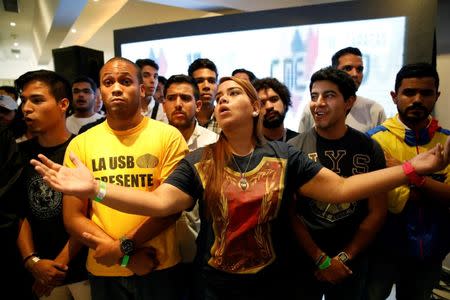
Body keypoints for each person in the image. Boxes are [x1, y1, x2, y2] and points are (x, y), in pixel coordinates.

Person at [32, 76, 450, 300]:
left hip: (274, 282)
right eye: (220, 96)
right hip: (213, 285)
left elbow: (342, 189)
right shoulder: (199, 160)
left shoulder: (285, 155)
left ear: (254, 107)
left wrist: (413, 168)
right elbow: (161, 201)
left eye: (236, 92)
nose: (224, 99)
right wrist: (97, 189)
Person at [59, 57, 189, 300]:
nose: (116, 88)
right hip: (105, 268)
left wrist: (121, 248)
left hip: (158, 264)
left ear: (141, 90)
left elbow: (170, 209)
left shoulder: (168, 137)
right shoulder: (81, 144)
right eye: (108, 82)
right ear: (101, 92)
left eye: (125, 81)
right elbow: (73, 217)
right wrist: (126, 257)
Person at [288, 67, 387, 299]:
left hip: (351, 262)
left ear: (349, 102)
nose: (318, 103)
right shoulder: (293, 148)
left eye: (329, 95)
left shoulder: (369, 148)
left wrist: (342, 258)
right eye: (314, 96)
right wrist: (321, 260)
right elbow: (288, 213)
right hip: (304, 259)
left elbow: (377, 211)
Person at [365, 62, 450, 300]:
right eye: (409, 92)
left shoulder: (447, 142)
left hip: (433, 249)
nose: (417, 99)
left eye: (426, 93)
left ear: (437, 96)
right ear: (395, 96)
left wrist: (407, 174)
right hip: (382, 249)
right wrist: (432, 186)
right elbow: (385, 199)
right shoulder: (374, 141)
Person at [14, 70, 90, 299]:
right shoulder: (18, 154)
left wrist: (57, 267)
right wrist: (32, 262)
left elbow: (89, 215)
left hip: (85, 270)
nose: (26, 108)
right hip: (40, 271)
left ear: (63, 104)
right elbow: (18, 213)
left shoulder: (82, 149)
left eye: (37, 100)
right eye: (23, 100)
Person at [162, 74, 218, 299]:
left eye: (185, 98)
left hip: (203, 248)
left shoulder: (214, 143)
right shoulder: (152, 140)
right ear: (163, 104)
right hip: (161, 247)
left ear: (198, 104)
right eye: (171, 98)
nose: (178, 104)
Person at [298, 47, 386, 133]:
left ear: (350, 102)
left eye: (359, 69)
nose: (355, 74)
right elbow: (301, 144)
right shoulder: (314, 109)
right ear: (334, 72)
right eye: (348, 68)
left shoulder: (375, 110)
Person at [253, 77, 298, 141]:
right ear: (255, 109)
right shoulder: (249, 146)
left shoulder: (301, 142)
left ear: (284, 103)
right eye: (262, 104)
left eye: (274, 99)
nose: (269, 106)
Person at [188, 58, 221, 134]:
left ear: (217, 85)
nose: (206, 86)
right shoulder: (184, 119)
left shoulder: (226, 119)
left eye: (211, 81)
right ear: (190, 86)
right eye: (199, 81)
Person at [135, 58, 167, 122]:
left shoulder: (163, 109)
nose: (153, 80)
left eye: (155, 76)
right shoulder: (127, 109)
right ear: (135, 78)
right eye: (146, 76)